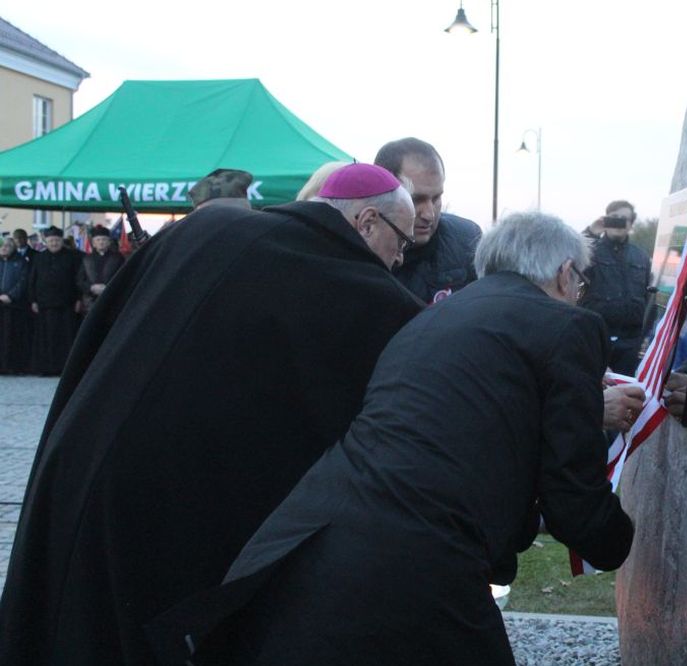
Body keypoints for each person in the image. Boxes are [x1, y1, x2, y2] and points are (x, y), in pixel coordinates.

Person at [148, 211, 634, 666]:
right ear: (566, 273)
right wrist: (620, 541)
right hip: (418, 557)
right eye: (582, 283)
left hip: (315, 532)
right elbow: (571, 488)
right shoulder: (567, 325)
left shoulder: (437, 315)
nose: (580, 294)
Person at [0, 164, 425, 666]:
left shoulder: (206, 228)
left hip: (82, 453)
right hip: (163, 498)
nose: (398, 260)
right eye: (400, 243)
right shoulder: (350, 284)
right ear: (368, 221)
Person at [375, 137, 482, 303]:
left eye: (436, 198)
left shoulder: (468, 241)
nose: (429, 214)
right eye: (416, 199)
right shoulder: (355, 248)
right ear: (383, 193)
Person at [579, 200, 652, 376]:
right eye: (614, 218)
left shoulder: (641, 256)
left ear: (631, 224)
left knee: (624, 391)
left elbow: (648, 297)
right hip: (594, 339)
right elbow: (570, 261)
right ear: (605, 220)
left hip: (629, 343)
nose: (619, 223)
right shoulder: (590, 250)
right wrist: (590, 232)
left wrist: (645, 334)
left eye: (624, 219)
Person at [27, 226, 81, 375]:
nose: (54, 243)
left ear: (61, 240)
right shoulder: (38, 257)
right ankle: (46, 368)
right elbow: (32, 280)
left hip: (67, 305)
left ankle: (64, 369)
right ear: (46, 241)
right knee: (46, 339)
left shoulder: (73, 257)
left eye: (56, 240)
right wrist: (33, 300)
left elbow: (78, 280)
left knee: (65, 338)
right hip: (44, 305)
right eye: (51, 241)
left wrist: (78, 299)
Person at [77, 225, 125, 314]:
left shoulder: (118, 258)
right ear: (93, 243)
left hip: (111, 300)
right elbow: (80, 280)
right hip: (90, 303)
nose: (101, 242)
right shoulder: (86, 259)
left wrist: (107, 288)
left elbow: (123, 278)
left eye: (104, 239)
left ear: (109, 242)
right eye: (98, 240)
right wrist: (91, 288)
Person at [0, 238, 30, 374]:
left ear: (14, 248)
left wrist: (10, 296)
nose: (4, 248)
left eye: (8, 245)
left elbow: (23, 282)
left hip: (14, 306)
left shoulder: (21, 262)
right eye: (2, 245)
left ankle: (11, 366)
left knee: (12, 337)